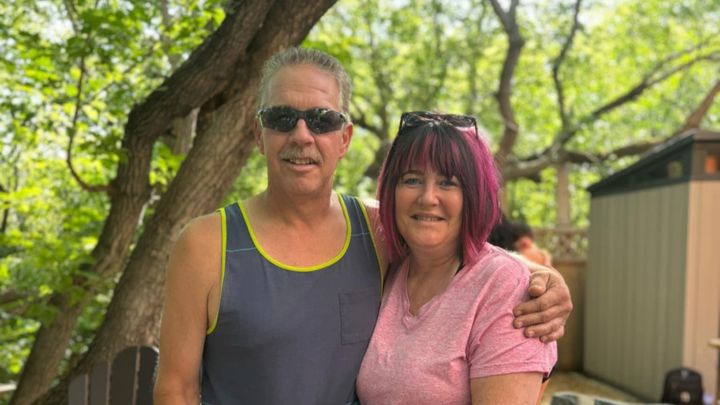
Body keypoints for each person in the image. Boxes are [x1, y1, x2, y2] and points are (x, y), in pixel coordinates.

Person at [153, 48, 570, 405]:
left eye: (322, 119)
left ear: (345, 138)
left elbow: (456, 250)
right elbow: (176, 390)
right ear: (259, 135)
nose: (301, 134)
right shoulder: (206, 245)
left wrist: (541, 277)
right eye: (281, 117)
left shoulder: (373, 231)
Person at [356, 112, 556, 404]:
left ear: (475, 194)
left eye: (448, 182)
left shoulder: (503, 286)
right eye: (412, 179)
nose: (428, 197)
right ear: (391, 191)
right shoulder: (388, 265)